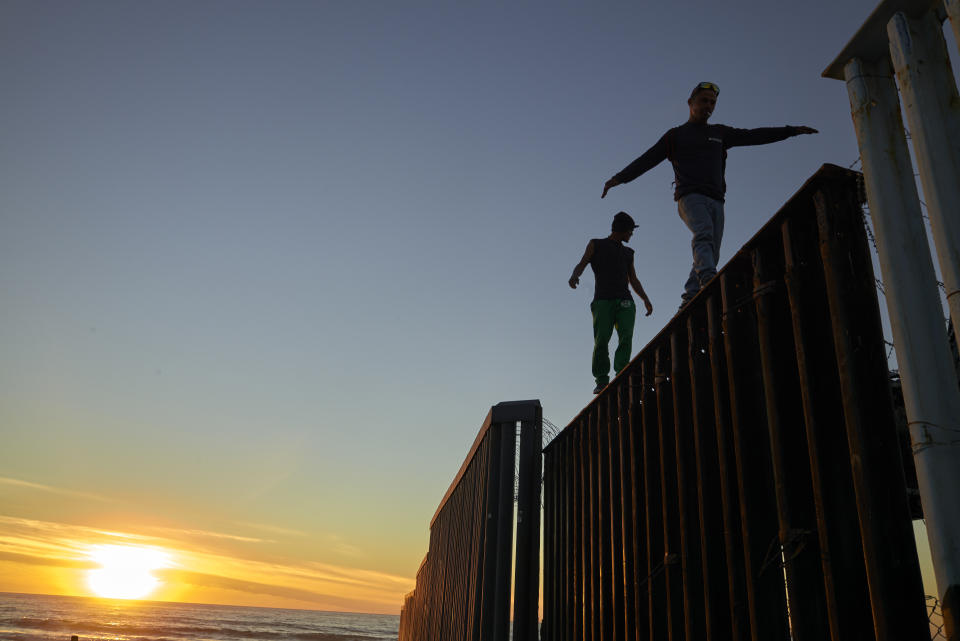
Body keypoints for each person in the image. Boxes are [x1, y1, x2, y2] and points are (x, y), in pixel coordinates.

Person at [601, 81, 818, 307]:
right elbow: (647, 160)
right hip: (690, 197)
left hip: (717, 200)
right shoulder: (675, 136)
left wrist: (790, 131)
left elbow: (753, 135)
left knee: (712, 250)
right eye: (703, 101)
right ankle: (708, 278)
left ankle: (690, 296)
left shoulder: (719, 133)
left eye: (712, 103)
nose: (708, 106)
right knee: (703, 234)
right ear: (690, 103)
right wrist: (618, 178)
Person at [569, 211, 653, 394]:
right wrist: (575, 275)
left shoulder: (628, 252)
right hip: (602, 302)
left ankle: (621, 374)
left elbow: (634, 279)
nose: (631, 235)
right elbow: (582, 263)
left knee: (625, 337)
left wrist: (645, 298)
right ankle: (601, 380)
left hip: (625, 301)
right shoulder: (596, 244)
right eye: (630, 231)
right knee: (601, 340)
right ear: (623, 230)